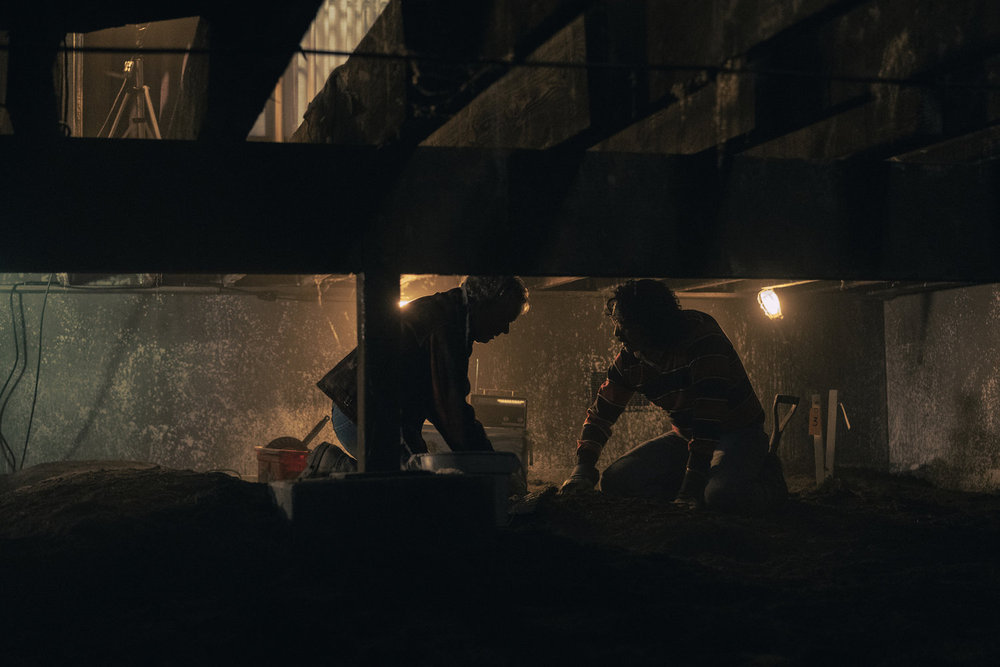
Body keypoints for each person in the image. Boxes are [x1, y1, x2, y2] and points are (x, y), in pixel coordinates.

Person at [559, 279, 786, 512]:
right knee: (616, 482)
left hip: (738, 433)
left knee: (721, 496)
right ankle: (704, 483)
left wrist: (690, 488)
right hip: (686, 438)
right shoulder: (631, 359)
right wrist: (583, 470)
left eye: (624, 325)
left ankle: (769, 479)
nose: (616, 333)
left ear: (649, 324)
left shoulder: (702, 339)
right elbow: (602, 414)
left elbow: (708, 420)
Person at [309, 275, 529, 474]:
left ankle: (332, 463)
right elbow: (451, 408)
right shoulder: (447, 324)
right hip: (360, 411)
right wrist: (491, 465)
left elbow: (441, 405)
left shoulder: (451, 314)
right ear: (489, 302)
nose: (505, 329)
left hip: (365, 409)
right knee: (410, 481)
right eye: (505, 318)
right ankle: (333, 463)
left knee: (416, 478)